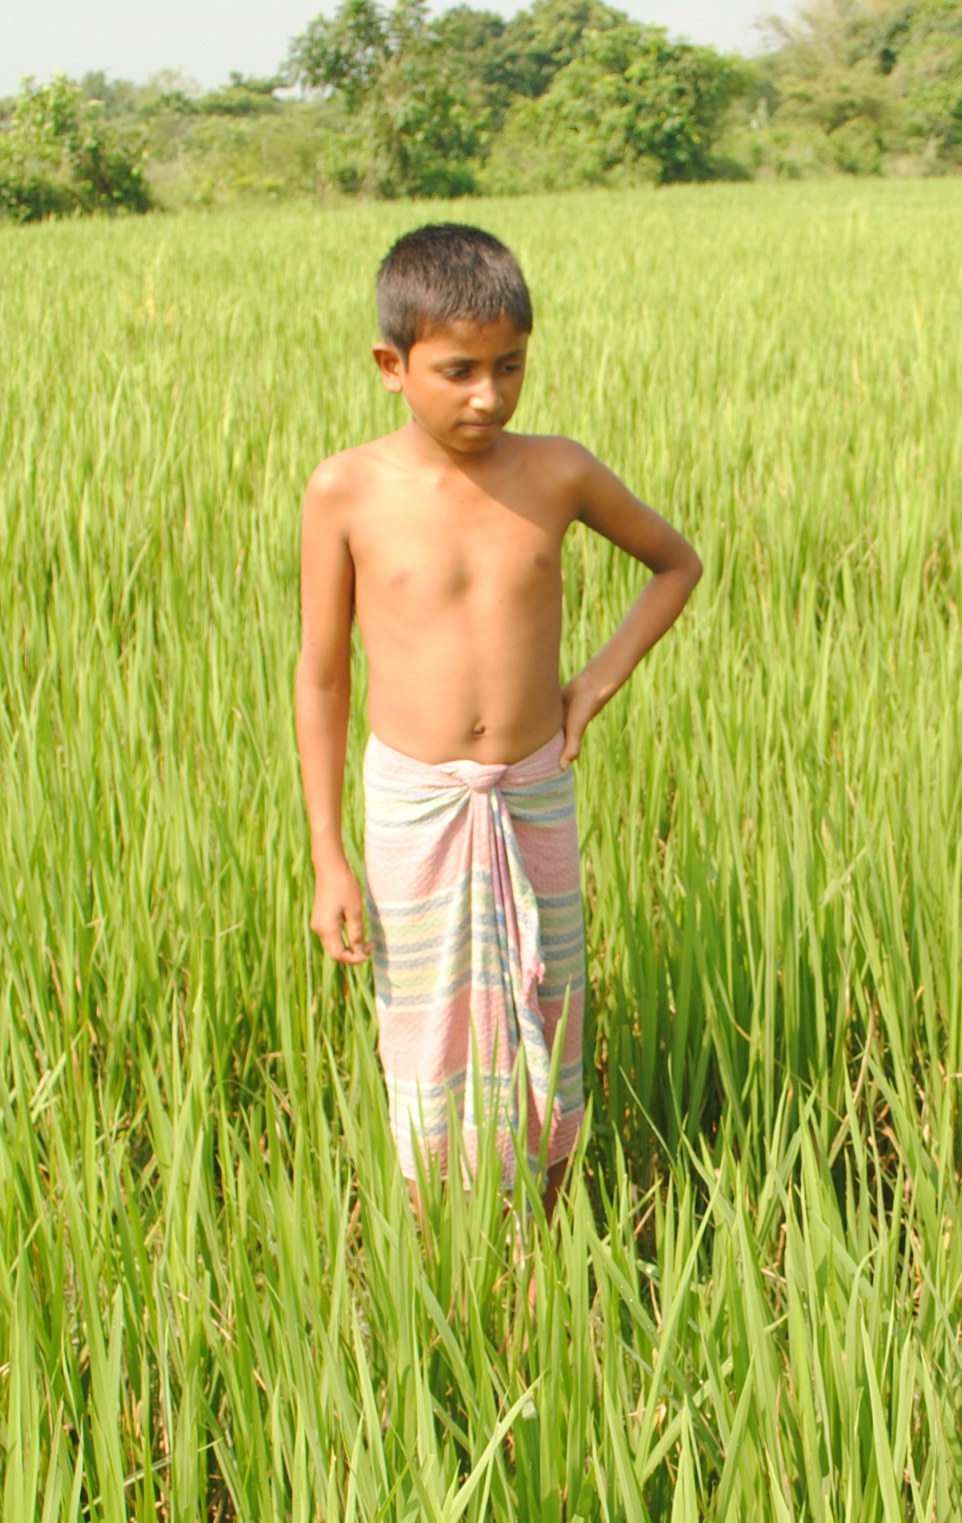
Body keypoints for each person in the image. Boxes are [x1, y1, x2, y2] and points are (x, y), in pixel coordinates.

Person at [294, 223, 700, 1196]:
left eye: (509, 366)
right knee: (426, 1029)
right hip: (416, 807)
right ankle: (446, 1247)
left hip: (531, 791)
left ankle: (544, 1241)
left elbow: (675, 563)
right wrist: (326, 856)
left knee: (548, 1010)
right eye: (458, 369)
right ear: (390, 365)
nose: (488, 395)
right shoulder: (345, 489)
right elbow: (320, 675)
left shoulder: (556, 470)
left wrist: (594, 683)